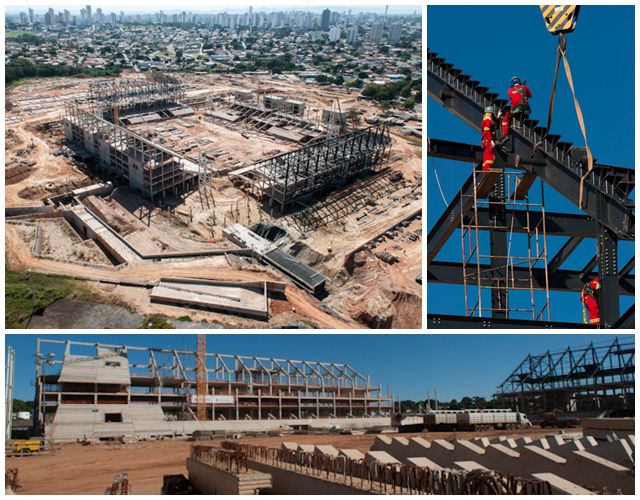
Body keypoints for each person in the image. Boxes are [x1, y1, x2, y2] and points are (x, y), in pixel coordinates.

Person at [481, 106, 497, 171]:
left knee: (487, 154)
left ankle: (486, 168)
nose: (492, 116)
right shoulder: (487, 121)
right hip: (488, 140)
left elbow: (495, 125)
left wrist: (498, 117)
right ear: (489, 113)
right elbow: (487, 131)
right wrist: (491, 141)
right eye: (492, 114)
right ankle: (487, 168)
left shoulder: (487, 121)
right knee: (489, 153)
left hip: (486, 140)